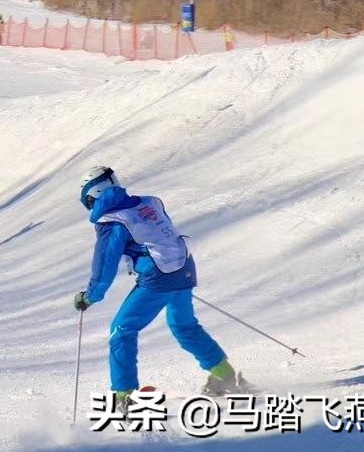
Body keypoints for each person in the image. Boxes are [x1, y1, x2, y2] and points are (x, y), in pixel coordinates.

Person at [73, 166, 251, 414]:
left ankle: (124, 397)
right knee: (184, 326)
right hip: (184, 267)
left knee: (122, 330)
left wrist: (90, 297)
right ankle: (224, 376)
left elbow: (104, 266)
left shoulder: (113, 222)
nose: (90, 208)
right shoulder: (150, 202)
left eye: (89, 202)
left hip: (159, 276)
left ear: (95, 194)